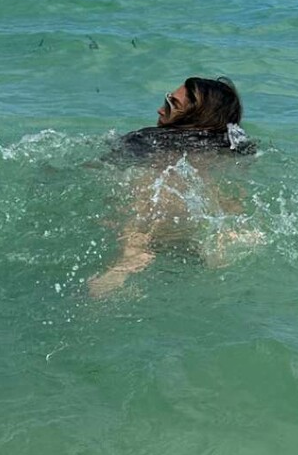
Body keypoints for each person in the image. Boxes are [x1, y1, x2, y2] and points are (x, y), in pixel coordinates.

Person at [87, 76, 258, 298]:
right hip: (201, 227)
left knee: (137, 195)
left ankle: (132, 257)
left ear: (196, 116)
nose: (160, 110)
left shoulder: (147, 139)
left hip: (155, 221)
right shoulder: (236, 150)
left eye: (171, 104)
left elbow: (99, 167)